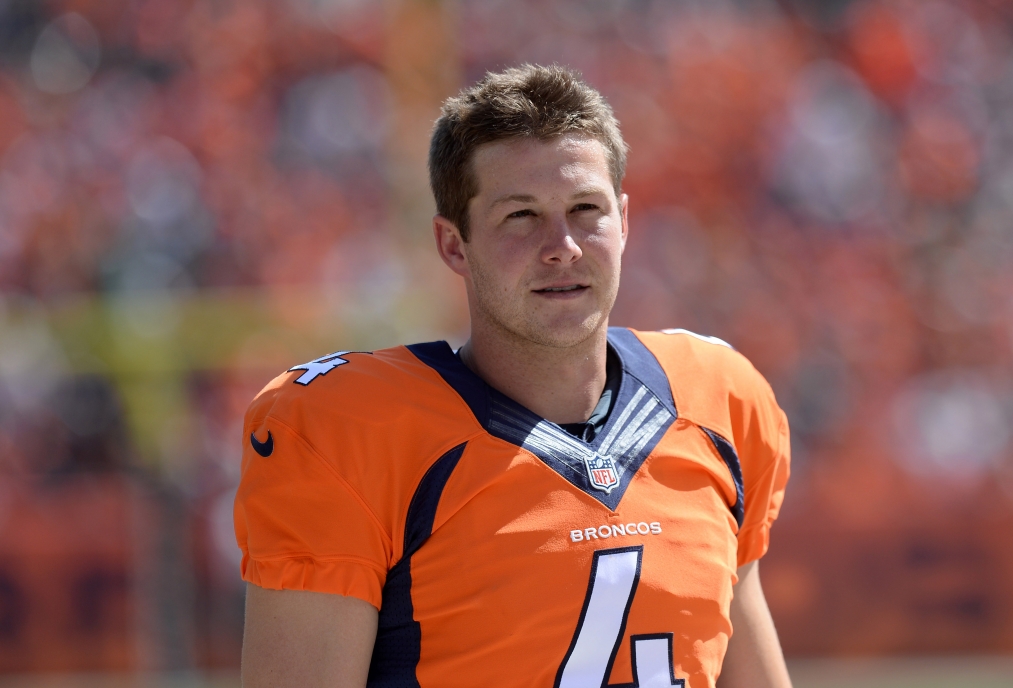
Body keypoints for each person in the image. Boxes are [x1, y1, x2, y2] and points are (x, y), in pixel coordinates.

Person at [235, 64, 792, 688]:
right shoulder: (354, 432)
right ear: (454, 245)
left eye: (586, 209)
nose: (563, 245)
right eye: (521, 216)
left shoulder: (718, 401)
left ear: (625, 221)